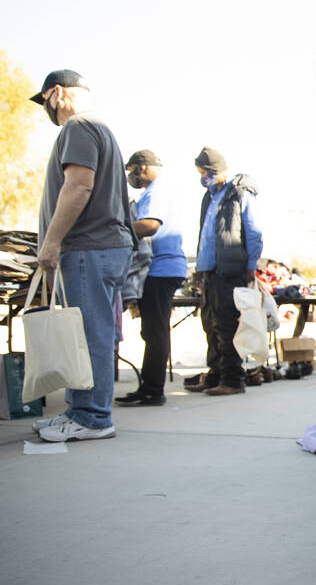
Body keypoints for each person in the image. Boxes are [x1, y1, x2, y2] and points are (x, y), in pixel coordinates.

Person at [29, 69, 135, 442]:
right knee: (84, 333)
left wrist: (52, 242)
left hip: (90, 247)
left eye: (45, 101)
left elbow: (78, 185)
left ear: (56, 93)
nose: (48, 109)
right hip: (99, 247)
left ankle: (92, 417)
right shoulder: (97, 128)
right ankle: (79, 411)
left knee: (90, 334)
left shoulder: (78, 127)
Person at [185, 146, 262, 396]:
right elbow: (205, 235)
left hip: (231, 270)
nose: (202, 176)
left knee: (227, 324)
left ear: (216, 170)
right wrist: (200, 268)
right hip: (210, 271)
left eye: (204, 172)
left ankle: (233, 379)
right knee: (209, 324)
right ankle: (215, 374)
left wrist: (251, 265)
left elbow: (252, 231)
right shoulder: (209, 196)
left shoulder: (238, 194)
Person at [115, 150, 187, 407]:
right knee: (152, 331)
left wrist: (115, 229)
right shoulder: (153, 191)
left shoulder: (155, 191)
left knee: (155, 332)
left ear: (141, 167)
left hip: (161, 269)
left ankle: (153, 391)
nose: (130, 177)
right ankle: (148, 387)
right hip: (162, 268)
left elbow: (150, 225)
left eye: (130, 170)